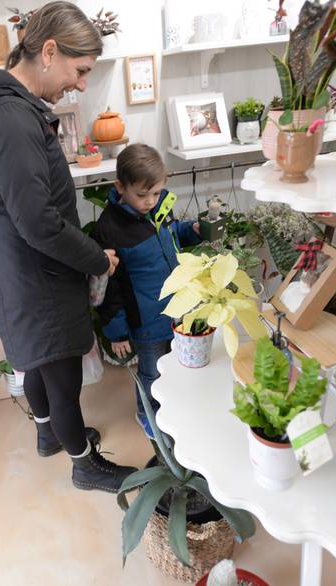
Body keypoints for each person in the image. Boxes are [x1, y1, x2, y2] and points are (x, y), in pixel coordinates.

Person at [0, 1, 136, 493]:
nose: (80, 84)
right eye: (80, 71)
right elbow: (40, 223)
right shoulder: (11, 119)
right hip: (40, 277)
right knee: (61, 377)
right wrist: (98, 259)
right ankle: (84, 463)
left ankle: (49, 435)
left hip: (20, 271)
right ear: (48, 51)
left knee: (36, 362)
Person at [92, 144, 200, 438]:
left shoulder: (161, 206)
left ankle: (173, 410)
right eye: (142, 195)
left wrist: (191, 230)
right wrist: (116, 333)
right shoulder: (109, 229)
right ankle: (149, 417)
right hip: (146, 322)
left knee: (177, 365)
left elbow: (173, 235)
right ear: (120, 187)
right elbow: (106, 288)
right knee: (152, 373)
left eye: (156, 193)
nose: (151, 201)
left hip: (178, 311)